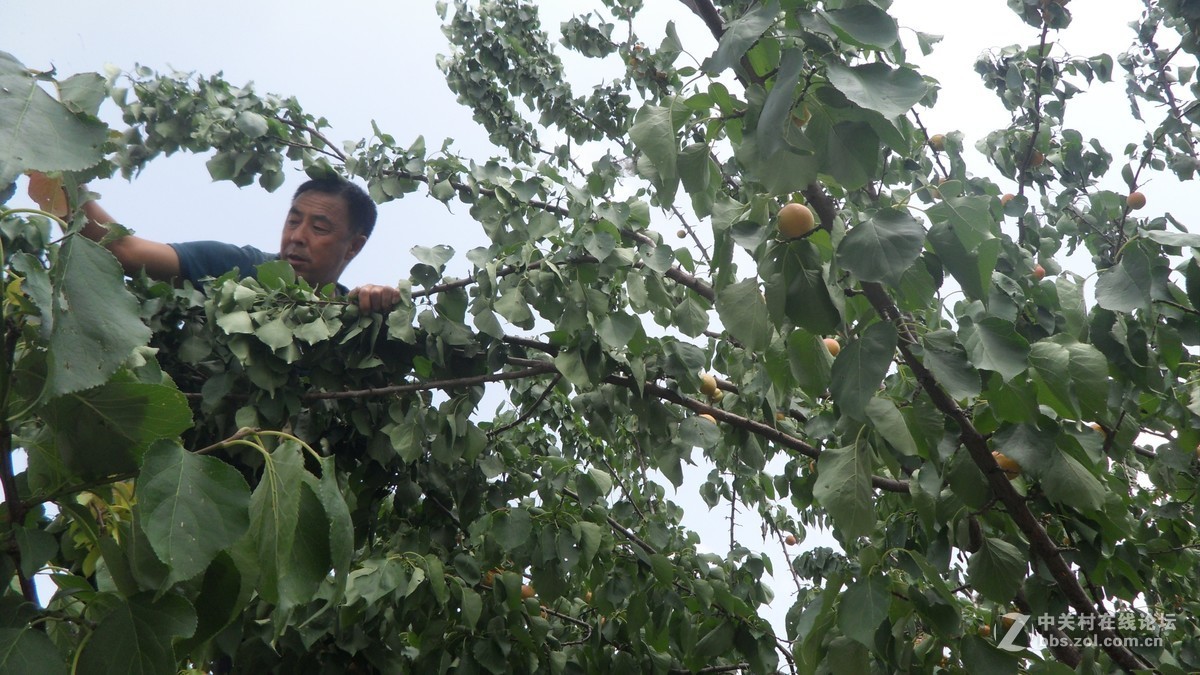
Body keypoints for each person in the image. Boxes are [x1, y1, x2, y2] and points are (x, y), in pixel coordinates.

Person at [26, 173, 401, 312]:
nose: (297, 237)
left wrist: (380, 305)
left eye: (319, 228)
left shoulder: (355, 317)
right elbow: (124, 251)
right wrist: (61, 169)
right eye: (293, 221)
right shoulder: (238, 268)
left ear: (353, 247)